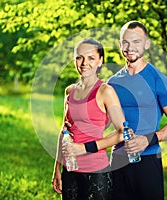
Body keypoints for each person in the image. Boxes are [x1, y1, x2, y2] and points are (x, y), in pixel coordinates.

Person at [106, 21, 167, 200]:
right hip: (118, 160)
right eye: (125, 42)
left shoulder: (158, 79)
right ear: (120, 45)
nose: (130, 47)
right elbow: (101, 122)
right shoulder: (112, 83)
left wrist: (148, 140)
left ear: (146, 44)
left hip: (148, 160)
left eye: (136, 42)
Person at [51, 38, 126, 200]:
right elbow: (64, 131)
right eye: (79, 57)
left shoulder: (106, 91)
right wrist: (57, 167)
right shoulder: (69, 91)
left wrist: (83, 148)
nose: (84, 63)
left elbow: (123, 132)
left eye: (91, 58)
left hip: (97, 172)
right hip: (70, 172)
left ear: (100, 61)